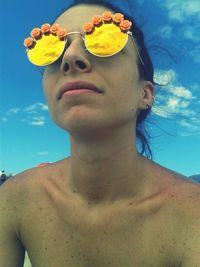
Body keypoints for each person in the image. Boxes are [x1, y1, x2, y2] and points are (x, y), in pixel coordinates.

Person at [1, 0, 200, 266]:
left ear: (145, 93)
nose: (70, 58)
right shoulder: (14, 199)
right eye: (51, 49)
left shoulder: (192, 214)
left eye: (105, 40)